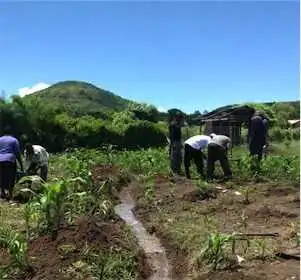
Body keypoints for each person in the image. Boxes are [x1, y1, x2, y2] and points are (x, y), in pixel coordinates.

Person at [0, 126, 24, 200]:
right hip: (9, 160)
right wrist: (21, 165)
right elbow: (17, 153)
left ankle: (2, 193)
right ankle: (10, 196)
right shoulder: (14, 140)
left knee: (1, 176)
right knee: (11, 177)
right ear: (11, 133)